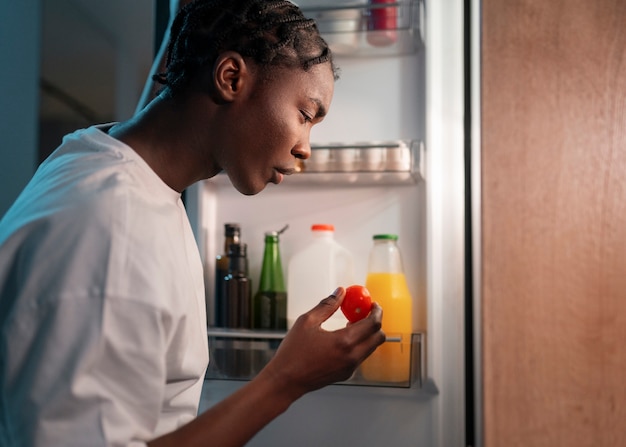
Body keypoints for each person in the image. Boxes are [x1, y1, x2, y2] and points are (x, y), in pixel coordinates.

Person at [0, 0, 385, 446]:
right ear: (230, 78)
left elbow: (167, 116)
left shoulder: (103, 157)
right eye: (304, 115)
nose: (305, 148)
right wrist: (286, 380)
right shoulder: (114, 232)